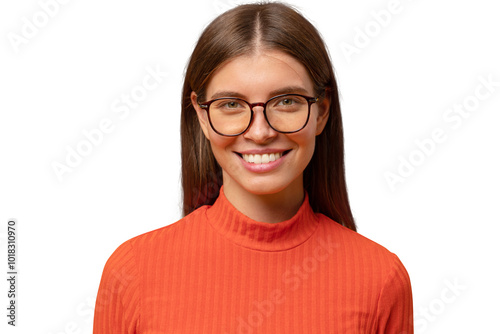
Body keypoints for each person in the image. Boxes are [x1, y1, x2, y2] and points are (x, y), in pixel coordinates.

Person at [93, 2, 413, 333]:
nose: (260, 132)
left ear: (322, 112)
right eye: (230, 105)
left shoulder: (379, 278)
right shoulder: (133, 271)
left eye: (286, 101)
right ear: (202, 116)